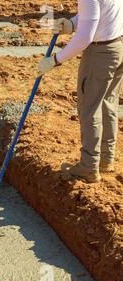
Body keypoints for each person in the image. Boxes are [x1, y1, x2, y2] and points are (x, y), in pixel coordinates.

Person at [38, 0, 123, 183]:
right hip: (118, 46)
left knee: (90, 108)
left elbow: (85, 37)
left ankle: (88, 167)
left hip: (100, 54)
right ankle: (105, 160)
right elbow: (97, 14)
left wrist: (56, 60)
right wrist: (71, 24)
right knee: (107, 104)